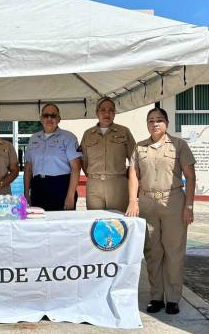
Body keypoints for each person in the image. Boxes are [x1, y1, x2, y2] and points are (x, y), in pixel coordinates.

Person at [125, 107, 196, 315]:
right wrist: (133, 200)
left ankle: (173, 298)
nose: (155, 124)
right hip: (147, 202)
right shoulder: (139, 148)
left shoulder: (179, 145)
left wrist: (189, 206)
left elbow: (190, 177)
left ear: (166, 123)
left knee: (174, 252)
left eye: (159, 120)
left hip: (173, 200)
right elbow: (133, 175)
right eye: (151, 120)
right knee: (153, 252)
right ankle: (156, 297)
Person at [79, 97, 136, 211]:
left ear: (114, 113)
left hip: (117, 184)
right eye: (103, 110)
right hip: (94, 185)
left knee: (117, 222)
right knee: (96, 222)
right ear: (97, 113)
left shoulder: (124, 132)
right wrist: (95, 175)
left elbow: (134, 159)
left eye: (111, 110)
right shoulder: (88, 134)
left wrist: (126, 177)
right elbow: (83, 161)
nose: (107, 113)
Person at [23, 103, 81, 210]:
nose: (49, 118)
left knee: (62, 225)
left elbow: (76, 168)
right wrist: (26, 193)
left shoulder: (68, 137)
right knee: (38, 224)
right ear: (41, 119)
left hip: (61, 187)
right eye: (46, 115)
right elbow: (28, 169)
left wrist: (70, 196)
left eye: (53, 115)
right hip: (38, 188)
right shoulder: (34, 138)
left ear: (59, 119)